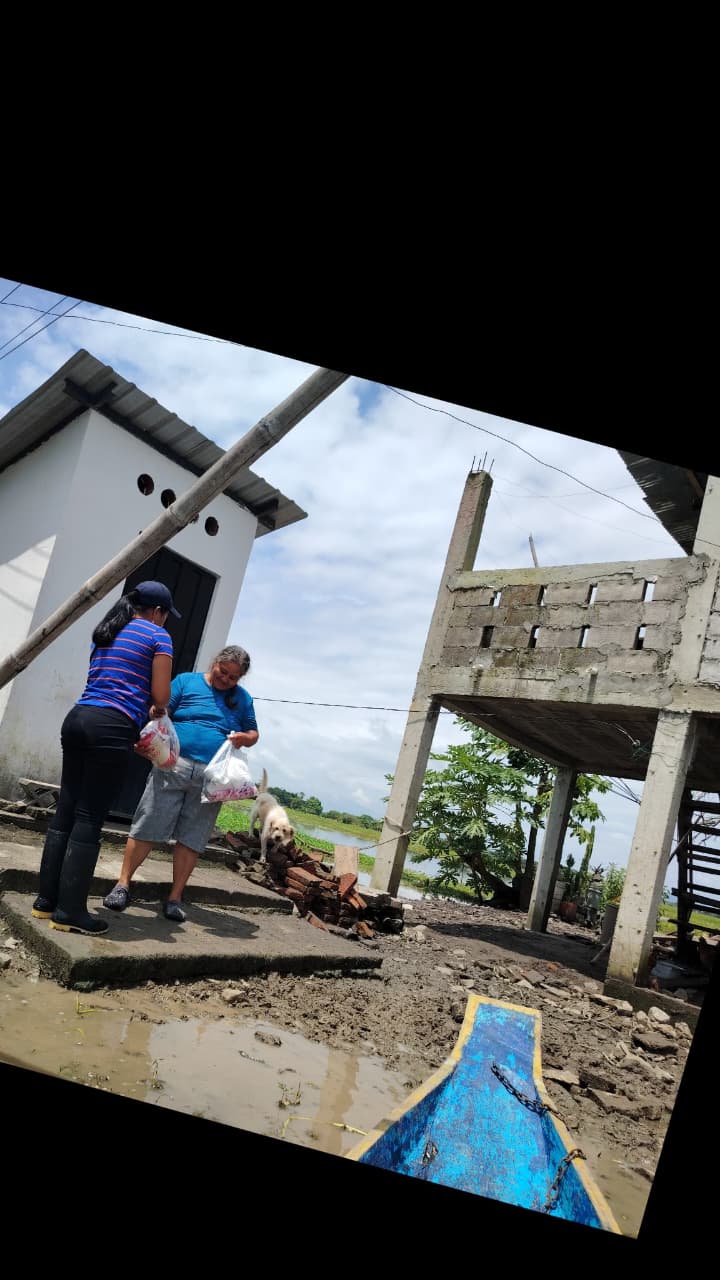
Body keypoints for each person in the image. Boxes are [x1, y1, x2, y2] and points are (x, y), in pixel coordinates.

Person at [32, 581, 178, 935]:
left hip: (78, 718)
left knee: (66, 810)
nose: (165, 621)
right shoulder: (158, 636)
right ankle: (69, 912)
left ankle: (45, 902)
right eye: (165, 615)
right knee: (89, 817)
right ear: (158, 612)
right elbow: (161, 696)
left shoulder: (109, 629)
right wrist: (155, 709)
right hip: (111, 727)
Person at [103, 645, 258, 922]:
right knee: (148, 822)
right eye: (223, 671)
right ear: (215, 662)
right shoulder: (187, 681)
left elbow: (253, 733)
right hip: (173, 764)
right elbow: (161, 710)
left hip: (213, 776)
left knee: (192, 837)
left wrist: (244, 738)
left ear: (240, 678)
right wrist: (155, 712)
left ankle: (175, 898)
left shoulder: (243, 699)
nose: (226, 679)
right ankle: (122, 885)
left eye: (233, 677)